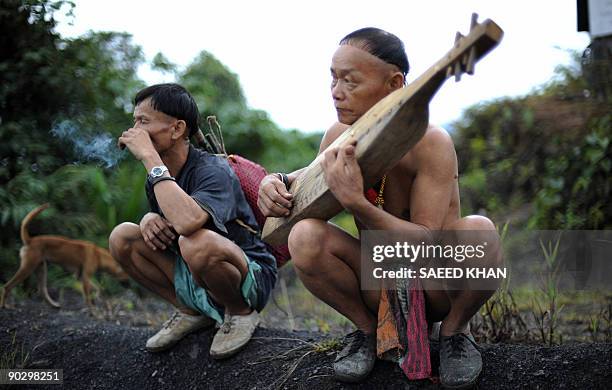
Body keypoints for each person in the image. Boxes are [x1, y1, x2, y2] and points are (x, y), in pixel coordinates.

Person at [258, 28, 502, 387]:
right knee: (304, 236)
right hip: (377, 283)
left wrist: (357, 203)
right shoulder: (339, 136)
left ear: (394, 84)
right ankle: (367, 331)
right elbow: (307, 179)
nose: (336, 92)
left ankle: (454, 335)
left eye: (350, 81)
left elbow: (424, 243)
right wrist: (274, 180)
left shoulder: (432, 142)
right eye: (333, 78)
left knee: (480, 232)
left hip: (435, 286)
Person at [109, 83, 277, 359]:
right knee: (122, 237)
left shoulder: (212, 170)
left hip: (249, 275)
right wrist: (150, 218)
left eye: (144, 121)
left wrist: (150, 158)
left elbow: (188, 224)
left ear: (177, 129)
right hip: (197, 269)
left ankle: (240, 314)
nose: (135, 131)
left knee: (196, 242)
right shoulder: (158, 176)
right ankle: (191, 311)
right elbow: (171, 220)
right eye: (134, 121)